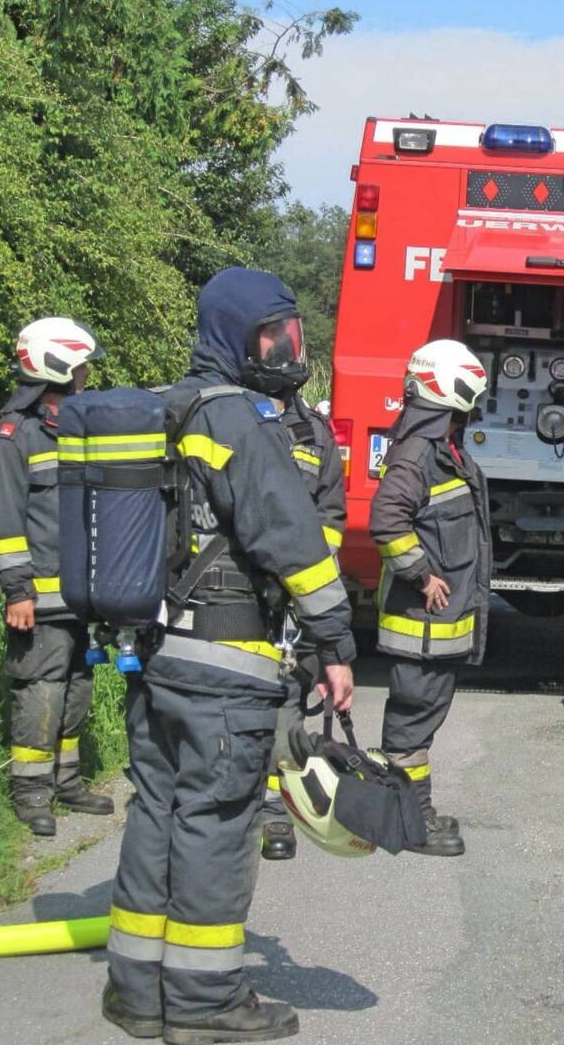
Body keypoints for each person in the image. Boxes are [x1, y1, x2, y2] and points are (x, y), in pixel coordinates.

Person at [103, 268, 356, 1044]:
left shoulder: (168, 406)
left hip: (157, 654)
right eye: (270, 333)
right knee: (217, 821)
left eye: (290, 332)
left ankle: (137, 992)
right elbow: (293, 539)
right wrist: (336, 641)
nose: (285, 347)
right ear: (233, 336)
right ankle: (207, 1002)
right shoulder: (240, 421)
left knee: (158, 809)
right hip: (228, 662)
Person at [0, 317, 114, 837]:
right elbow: (4, 520)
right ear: (56, 366)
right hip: (36, 597)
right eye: (79, 365)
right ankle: (31, 792)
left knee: (77, 687)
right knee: (42, 690)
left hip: (81, 595)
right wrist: (18, 591)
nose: (85, 375)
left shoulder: (75, 428)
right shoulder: (14, 437)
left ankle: (66, 780)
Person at [369, 339, 491, 857]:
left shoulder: (440, 446)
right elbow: (386, 519)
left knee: (421, 719)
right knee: (413, 720)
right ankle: (408, 820)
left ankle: (412, 811)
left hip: (434, 628)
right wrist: (421, 574)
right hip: (421, 625)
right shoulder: (420, 453)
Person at [259, 380, 347, 862]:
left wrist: (312, 575)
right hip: (234, 592)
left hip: (292, 599)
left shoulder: (314, 434)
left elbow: (331, 514)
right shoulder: (232, 419)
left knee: (287, 697)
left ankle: (276, 809)